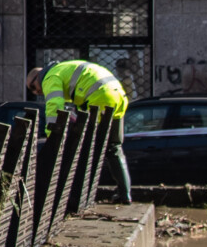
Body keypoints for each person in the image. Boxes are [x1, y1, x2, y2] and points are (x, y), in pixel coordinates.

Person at [26, 59, 132, 204]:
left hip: (99, 97)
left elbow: (54, 105)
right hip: (118, 95)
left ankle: (76, 199)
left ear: (37, 77)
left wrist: (53, 135)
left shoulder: (50, 76)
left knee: (87, 150)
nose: (36, 92)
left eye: (33, 87)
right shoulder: (64, 68)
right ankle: (125, 194)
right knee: (114, 148)